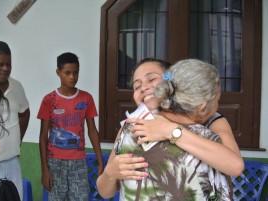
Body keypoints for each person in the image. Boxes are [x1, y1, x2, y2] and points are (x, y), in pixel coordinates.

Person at [97, 58, 244, 200]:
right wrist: (110, 173)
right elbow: (105, 191)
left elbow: (235, 165)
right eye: (136, 86)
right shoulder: (130, 127)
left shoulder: (213, 121)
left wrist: (171, 131)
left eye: (152, 79)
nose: (144, 87)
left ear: (170, 85)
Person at [38, 52, 104, 201]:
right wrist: (45, 169)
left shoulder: (86, 98)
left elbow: (92, 131)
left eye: (75, 72)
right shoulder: (49, 100)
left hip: (79, 161)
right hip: (55, 163)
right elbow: (43, 137)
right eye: (67, 73)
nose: (72, 77)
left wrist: (100, 163)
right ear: (58, 73)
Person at [0, 41, 30, 200]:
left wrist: (18, 142)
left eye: (8, 64)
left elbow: (24, 112)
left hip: (12, 164)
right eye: (0, 64)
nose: (5, 68)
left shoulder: (16, 87)